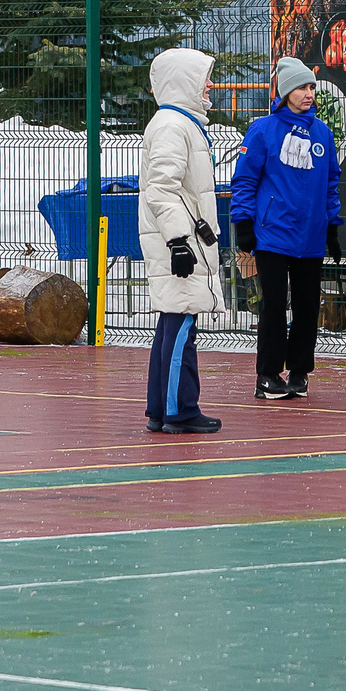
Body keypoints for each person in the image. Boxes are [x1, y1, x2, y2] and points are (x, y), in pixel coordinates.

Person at [230, 57, 344, 400]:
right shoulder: (263, 130)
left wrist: (332, 227)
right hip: (273, 235)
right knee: (274, 305)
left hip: (309, 237)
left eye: (311, 87)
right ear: (284, 91)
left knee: (309, 306)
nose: (308, 93)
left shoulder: (322, 132)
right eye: (300, 87)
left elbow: (330, 184)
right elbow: (245, 180)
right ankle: (267, 374)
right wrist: (244, 223)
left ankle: (299, 371)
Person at [141, 48, 226, 434]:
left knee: (173, 322)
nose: (210, 85)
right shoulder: (174, 125)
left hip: (183, 239)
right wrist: (178, 241)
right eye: (204, 77)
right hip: (180, 243)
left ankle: (161, 408)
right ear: (184, 81)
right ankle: (180, 409)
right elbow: (162, 187)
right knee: (181, 325)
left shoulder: (178, 123)